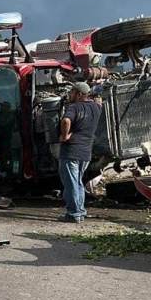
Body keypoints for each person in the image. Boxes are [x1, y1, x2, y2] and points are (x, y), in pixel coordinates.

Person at [58, 82, 102, 223]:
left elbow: (65, 120)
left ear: (79, 94)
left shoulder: (74, 107)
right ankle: (81, 211)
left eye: (72, 92)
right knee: (78, 182)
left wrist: (64, 136)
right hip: (85, 152)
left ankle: (74, 213)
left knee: (71, 183)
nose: (69, 95)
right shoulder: (96, 107)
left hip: (71, 150)